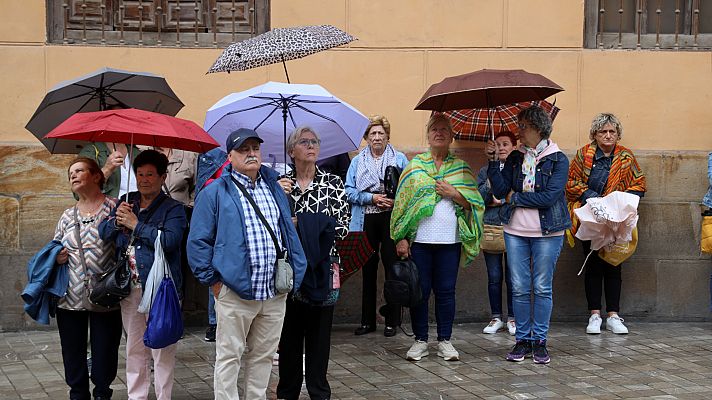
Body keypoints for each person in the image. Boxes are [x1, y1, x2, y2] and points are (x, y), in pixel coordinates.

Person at [187, 128, 307, 400]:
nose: (251, 154)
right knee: (229, 357)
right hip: (234, 290)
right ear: (230, 156)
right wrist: (214, 282)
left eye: (255, 148)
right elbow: (198, 242)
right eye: (243, 150)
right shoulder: (215, 191)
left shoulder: (274, 187)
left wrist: (295, 272)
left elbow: (287, 230)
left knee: (263, 357)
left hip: (274, 291)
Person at [390, 113, 485, 362]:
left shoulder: (461, 168)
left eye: (444, 129)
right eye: (434, 129)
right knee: (419, 292)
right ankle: (420, 340)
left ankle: (445, 340)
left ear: (451, 136)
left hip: (449, 242)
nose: (439, 133)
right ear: (428, 135)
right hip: (420, 241)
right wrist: (401, 238)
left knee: (446, 292)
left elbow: (474, 203)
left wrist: (454, 193)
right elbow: (402, 204)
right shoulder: (415, 166)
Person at [485, 105, 571, 365]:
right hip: (515, 231)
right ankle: (522, 340)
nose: (518, 131)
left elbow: (549, 197)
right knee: (521, 288)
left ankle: (540, 342)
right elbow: (501, 191)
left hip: (548, 232)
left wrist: (516, 197)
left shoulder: (558, 159)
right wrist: (493, 163)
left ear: (536, 127)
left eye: (522, 126)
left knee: (542, 287)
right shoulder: (514, 157)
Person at [98, 150, 188, 400]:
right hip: (131, 289)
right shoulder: (127, 201)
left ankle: (163, 396)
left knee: (162, 347)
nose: (144, 179)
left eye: (150, 174)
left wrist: (136, 225)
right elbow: (104, 233)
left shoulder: (174, 209)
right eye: (140, 174)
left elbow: (170, 241)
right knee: (135, 347)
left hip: (162, 289)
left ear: (162, 177)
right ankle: (136, 396)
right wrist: (118, 221)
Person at [276, 127, 350, 400]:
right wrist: (279, 196)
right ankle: (287, 392)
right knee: (290, 337)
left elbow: (342, 226)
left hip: (324, 266)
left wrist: (302, 225)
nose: (311, 146)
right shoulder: (280, 184)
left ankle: (320, 393)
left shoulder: (332, 183)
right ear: (291, 151)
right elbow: (272, 227)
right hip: (290, 268)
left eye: (315, 142)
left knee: (320, 338)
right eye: (304, 142)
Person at [566, 113, 646, 335]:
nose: (608, 135)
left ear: (618, 134)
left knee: (614, 263)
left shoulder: (626, 157)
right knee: (592, 264)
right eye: (603, 131)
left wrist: (619, 201)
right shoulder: (584, 155)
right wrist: (592, 197)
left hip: (617, 220)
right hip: (590, 217)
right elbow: (572, 183)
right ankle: (594, 315)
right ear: (595, 134)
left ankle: (613, 315)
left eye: (612, 131)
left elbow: (639, 184)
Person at [52, 157, 123, 400]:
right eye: (71, 173)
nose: (73, 175)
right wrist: (57, 257)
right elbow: (54, 248)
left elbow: (126, 246)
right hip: (69, 297)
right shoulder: (66, 215)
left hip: (106, 295)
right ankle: (78, 394)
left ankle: (103, 393)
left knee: (105, 352)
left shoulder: (114, 207)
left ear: (96, 176)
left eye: (79, 170)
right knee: (72, 352)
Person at [346, 115, 409, 337]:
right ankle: (367, 321)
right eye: (372, 133)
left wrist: (394, 200)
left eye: (381, 133)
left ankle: (392, 321)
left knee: (393, 269)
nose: (377, 137)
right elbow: (349, 191)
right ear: (366, 137)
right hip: (367, 218)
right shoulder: (357, 161)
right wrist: (372, 199)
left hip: (391, 218)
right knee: (368, 269)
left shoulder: (400, 159)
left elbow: (409, 189)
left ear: (387, 136)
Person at [478, 131, 517, 336]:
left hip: (513, 226)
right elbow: (480, 197)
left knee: (513, 276)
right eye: (498, 144)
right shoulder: (485, 170)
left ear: (514, 147)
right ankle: (495, 317)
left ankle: (512, 317)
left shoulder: (516, 169)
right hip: (491, 226)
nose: (502, 148)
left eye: (506, 144)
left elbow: (514, 196)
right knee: (494, 276)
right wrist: (490, 188)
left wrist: (502, 198)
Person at [194, 146, 229, 342]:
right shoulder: (209, 154)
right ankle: (215, 322)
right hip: (215, 218)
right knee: (215, 265)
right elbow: (201, 186)